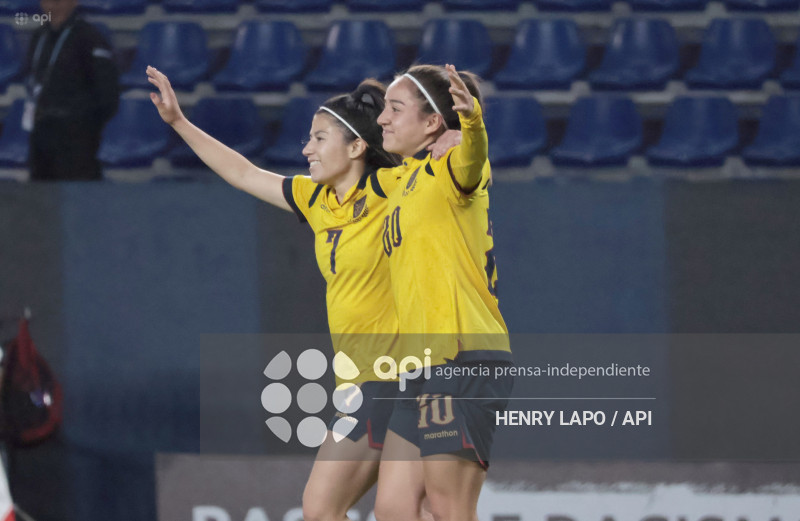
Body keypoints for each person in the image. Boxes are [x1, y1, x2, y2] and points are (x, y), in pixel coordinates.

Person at [146, 66, 458, 521]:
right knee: (360, 510)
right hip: (357, 384)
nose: (306, 148)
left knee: (327, 506)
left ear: (355, 147)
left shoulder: (394, 188)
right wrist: (178, 122)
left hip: (394, 377)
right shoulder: (316, 199)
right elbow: (243, 173)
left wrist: (454, 141)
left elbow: (447, 170)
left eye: (318, 138)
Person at [373, 64, 513, 521]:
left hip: (461, 356)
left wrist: (470, 124)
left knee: (447, 506)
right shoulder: (402, 180)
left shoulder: (448, 166)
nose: (382, 119)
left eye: (395, 108)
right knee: (393, 509)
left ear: (433, 121)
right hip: (421, 366)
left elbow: (472, 160)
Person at [25, 0, 119, 181]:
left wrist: (85, 125)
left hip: (77, 137)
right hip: (42, 132)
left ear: (73, 2)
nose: (53, 6)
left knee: (79, 198)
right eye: (48, 1)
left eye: (58, 1)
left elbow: (108, 94)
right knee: (41, 198)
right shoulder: (39, 36)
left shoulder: (90, 37)